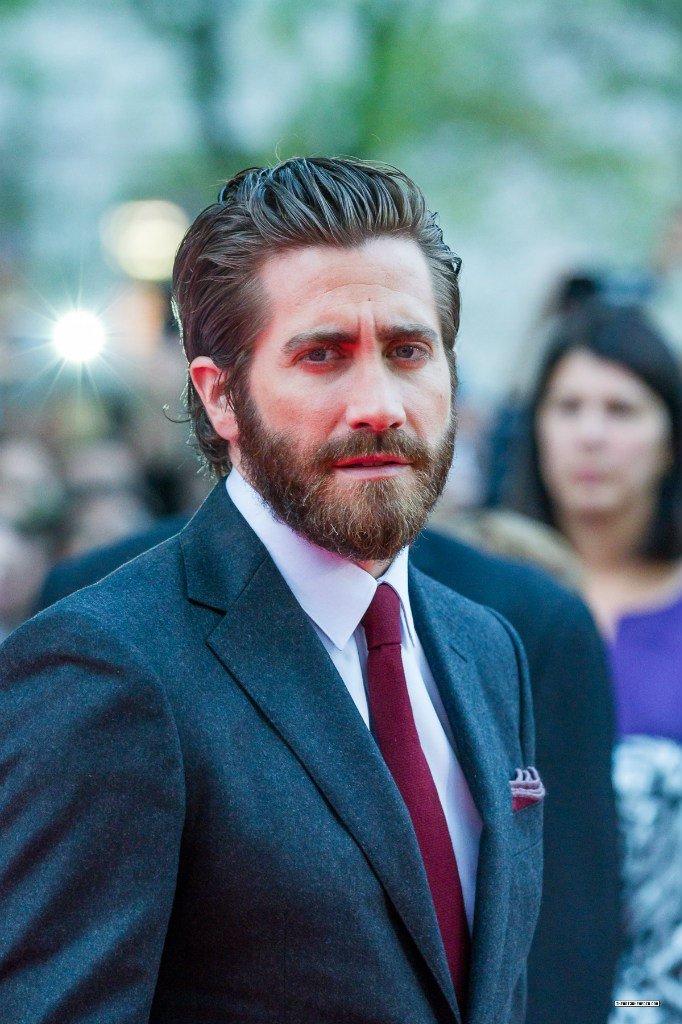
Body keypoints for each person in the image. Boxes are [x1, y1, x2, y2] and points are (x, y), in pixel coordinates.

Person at [0, 158, 542, 1024]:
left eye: (408, 351)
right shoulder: (103, 668)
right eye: (323, 355)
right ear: (221, 397)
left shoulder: (487, 648)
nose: (378, 404)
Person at [506, 299, 682, 1019]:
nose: (591, 435)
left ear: (671, 438)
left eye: (622, 409)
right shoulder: (472, 598)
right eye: (568, 407)